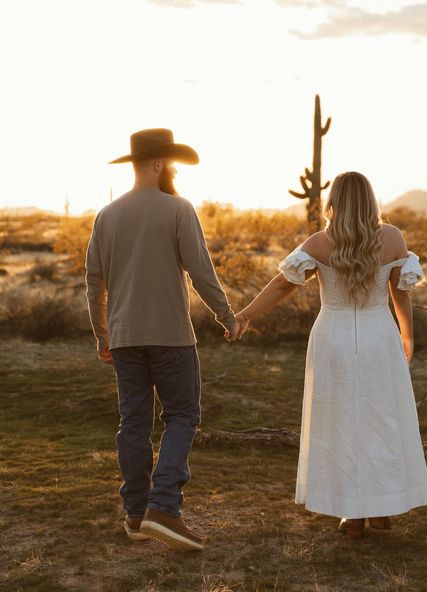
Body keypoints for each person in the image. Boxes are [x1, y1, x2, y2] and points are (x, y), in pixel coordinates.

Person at [235, 171, 427, 540]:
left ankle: (353, 515)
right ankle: (380, 508)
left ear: (333, 201)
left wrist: (245, 314)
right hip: (380, 335)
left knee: (339, 422)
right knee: (381, 420)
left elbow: (283, 285)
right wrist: (407, 334)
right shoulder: (392, 238)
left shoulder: (319, 242)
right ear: (371, 200)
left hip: (333, 337)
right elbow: (401, 293)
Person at [85, 128, 240, 552]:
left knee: (133, 423)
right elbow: (201, 271)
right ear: (156, 163)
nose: (172, 168)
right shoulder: (178, 209)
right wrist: (227, 317)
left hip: (124, 338)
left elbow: (93, 283)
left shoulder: (106, 215)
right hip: (170, 337)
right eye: (169, 161)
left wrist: (103, 334)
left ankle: (136, 516)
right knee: (182, 416)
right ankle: (164, 508)